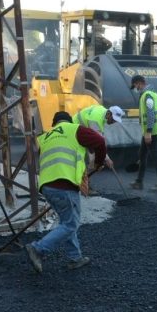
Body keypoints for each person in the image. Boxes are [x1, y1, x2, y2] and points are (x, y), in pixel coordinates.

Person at [25, 111, 109, 273]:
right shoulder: (75, 129)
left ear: (54, 123)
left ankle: (75, 257)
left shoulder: (45, 136)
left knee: (67, 221)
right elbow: (100, 140)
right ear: (68, 121)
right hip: (64, 184)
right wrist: (98, 163)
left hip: (46, 186)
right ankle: (38, 249)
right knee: (71, 224)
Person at [74, 104, 124, 194]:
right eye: (113, 120)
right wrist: (107, 159)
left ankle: (83, 183)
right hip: (75, 133)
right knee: (91, 161)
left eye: (115, 121)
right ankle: (83, 186)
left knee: (95, 160)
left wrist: (104, 158)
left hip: (82, 131)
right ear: (109, 113)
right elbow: (99, 144)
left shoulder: (102, 111)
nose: (113, 122)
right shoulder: (96, 120)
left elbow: (99, 139)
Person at [129, 74, 157, 191]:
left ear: (139, 83)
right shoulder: (150, 93)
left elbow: (150, 114)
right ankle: (139, 182)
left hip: (152, 130)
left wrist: (149, 132)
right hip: (150, 130)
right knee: (142, 154)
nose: (135, 88)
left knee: (155, 156)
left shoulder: (147, 95)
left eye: (135, 85)